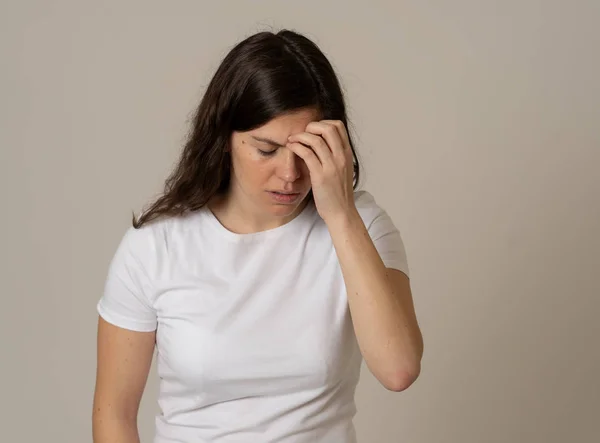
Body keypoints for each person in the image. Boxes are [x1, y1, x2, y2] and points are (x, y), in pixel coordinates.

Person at [92, 29, 424, 443]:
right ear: (225, 139)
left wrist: (339, 215)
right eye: (266, 150)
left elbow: (399, 369)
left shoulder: (362, 227)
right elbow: (114, 415)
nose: (289, 174)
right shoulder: (156, 245)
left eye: (307, 151)